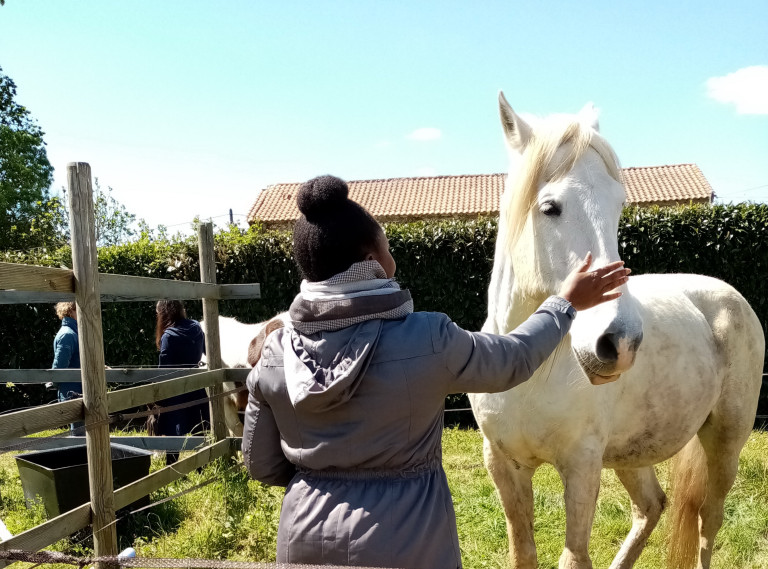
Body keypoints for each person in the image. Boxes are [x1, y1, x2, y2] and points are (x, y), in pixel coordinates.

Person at [242, 175, 630, 568]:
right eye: (388, 246)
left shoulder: (273, 354)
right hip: (410, 543)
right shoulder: (428, 338)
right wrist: (565, 303)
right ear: (374, 263)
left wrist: (323, 477)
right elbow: (514, 358)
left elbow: (262, 465)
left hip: (301, 541)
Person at [152, 300, 210, 464]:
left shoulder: (168, 336)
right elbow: (206, 351)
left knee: (174, 428)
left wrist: (158, 392)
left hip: (176, 389)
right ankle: (202, 464)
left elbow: (164, 368)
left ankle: (172, 466)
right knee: (199, 428)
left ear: (163, 314)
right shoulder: (196, 328)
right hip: (196, 385)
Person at [51, 301, 84, 434]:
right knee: (79, 433)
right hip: (73, 392)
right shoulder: (68, 335)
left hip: (76, 389)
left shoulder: (73, 332)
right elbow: (59, 366)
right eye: (78, 310)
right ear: (70, 311)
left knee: (83, 432)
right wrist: (55, 383)